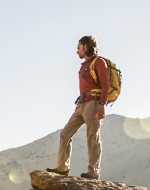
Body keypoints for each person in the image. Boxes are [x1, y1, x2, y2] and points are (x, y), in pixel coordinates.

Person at [47, 35, 110, 180]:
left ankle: (93, 172)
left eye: (79, 48)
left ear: (86, 47)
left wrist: (102, 104)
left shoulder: (99, 62)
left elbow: (105, 84)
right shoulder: (84, 65)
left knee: (92, 137)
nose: (77, 51)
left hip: (94, 103)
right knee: (65, 134)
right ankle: (62, 168)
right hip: (81, 104)